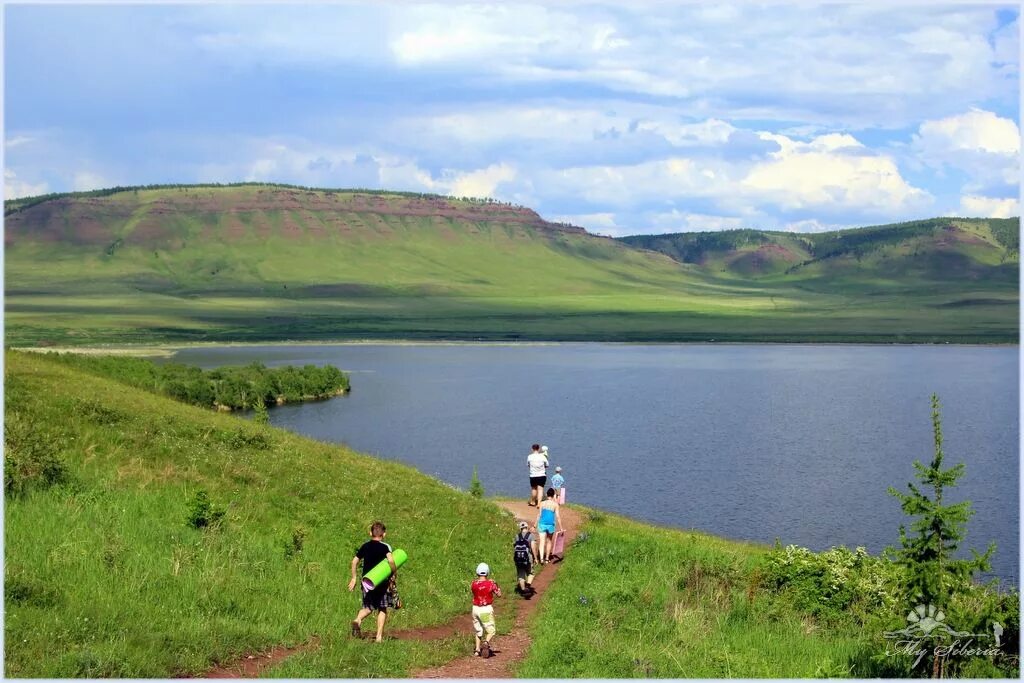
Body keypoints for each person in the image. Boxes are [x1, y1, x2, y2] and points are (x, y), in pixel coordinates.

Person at [348, 521, 397, 642]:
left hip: (367, 582)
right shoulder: (385, 547)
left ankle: (358, 620)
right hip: (381, 582)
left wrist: (354, 578)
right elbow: (391, 561)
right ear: (384, 534)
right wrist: (394, 573)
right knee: (382, 608)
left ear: (370, 533)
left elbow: (354, 561)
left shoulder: (365, 546)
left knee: (368, 607)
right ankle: (379, 637)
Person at [471, 562, 502, 658]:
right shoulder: (491, 584)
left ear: (477, 572)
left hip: (475, 609)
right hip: (486, 609)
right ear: (487, 572)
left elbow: (474, 591)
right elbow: (499, 594)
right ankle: (486, 642)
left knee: (478, 630)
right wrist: (496, 584)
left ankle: (477, 650)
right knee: (491, 630)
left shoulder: (473, 584)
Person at [535, 488, 563, 564]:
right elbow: (558, 517)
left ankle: (541, 559)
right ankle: (547, 558)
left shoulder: (542, 503)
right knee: (549, 541)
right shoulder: (555, 505)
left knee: (542, 541)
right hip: (551, 525)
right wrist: (561, 528)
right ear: (554, 495)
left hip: (542, 524)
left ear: (547, 495)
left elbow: (539, 515)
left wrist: (534, 525)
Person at [512, 521, 536, 597]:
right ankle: (528, 586)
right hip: (528, 558)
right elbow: (533, 547)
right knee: (530, 573)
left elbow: (515, 547)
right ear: (527, 527)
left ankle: (523, 590)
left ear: (520, 528)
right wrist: (535, 557)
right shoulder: (531, 535)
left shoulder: (517, 536)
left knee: (521, 574)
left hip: (518, 559)